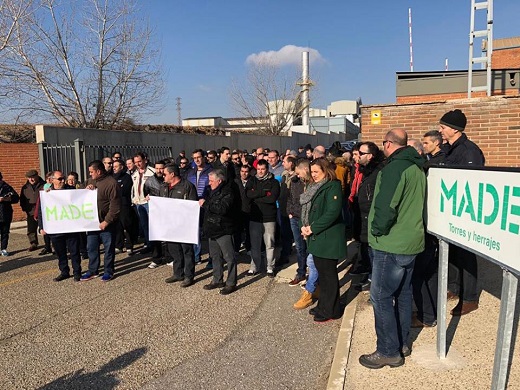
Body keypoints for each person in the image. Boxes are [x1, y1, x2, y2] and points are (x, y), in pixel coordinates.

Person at [359, 129, 426, 369]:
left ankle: (388, 350)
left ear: (388, 144)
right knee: (403, 294)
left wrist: (376, 230)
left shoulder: (395, 168)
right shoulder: (416, 166)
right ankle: (402, 343)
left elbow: (386, 207)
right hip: (410, 241)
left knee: (381, 296)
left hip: (391, 243)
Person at [438, 109, 484, 316]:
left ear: (454, 130)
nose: (440, 130)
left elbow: (471, 182)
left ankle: (470, 298)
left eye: (444, 126)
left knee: (466, 256)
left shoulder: (469, 151)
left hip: (464, 212)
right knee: (454, 254)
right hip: (451, 211)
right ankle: (455, 288)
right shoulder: (450, 148)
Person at [300, 158, 345, 322]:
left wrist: (312, 228)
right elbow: (307, 210)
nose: (314, 175)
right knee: (322, 275)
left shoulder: (333, 186)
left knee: (328, 276)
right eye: (312, 172)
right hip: (316, 238)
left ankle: (332, 310)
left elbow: (331, 213)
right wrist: (303, 226)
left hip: (328, 238)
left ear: (326, 171)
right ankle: (324, 305)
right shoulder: (313, 186)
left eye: (317, 172)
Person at [81, 160, 121, 282]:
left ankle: (108, 271)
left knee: (108, 249)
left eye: (92, 172)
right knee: (92, 248)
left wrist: (107, 221)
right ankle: (93, 270)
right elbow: (79, 195)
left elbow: (115, 206)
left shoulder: (111, 183)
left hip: (107, 224)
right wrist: (87, 188)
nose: (90, 174)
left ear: (98, 171)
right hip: (92, 223)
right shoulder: (90, 181)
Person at [38, 171, 82, 281]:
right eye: (60, 179)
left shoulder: (71, 190)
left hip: (71, 228)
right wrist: (42, 226)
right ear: (52, 180)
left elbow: (82, 200)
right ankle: (64, 271)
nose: (63, 181)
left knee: (74, 252)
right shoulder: (47, 193)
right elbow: (41, 211)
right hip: (56, 229)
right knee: (60, 252)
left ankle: (77, 272)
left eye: (63, 178)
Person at [200, 169, 238, 295]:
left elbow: (223, 209)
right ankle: (217, 279)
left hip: (223, 229)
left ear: (219, 180)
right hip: (212, 229)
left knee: (229, 257)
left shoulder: (228, 191)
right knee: (215, 256)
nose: (209, 183)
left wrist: (206, 204)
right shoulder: (211, 191)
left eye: (211, 181)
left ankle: (231, 282)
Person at [162, 164, 198, 288]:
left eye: (165, 174)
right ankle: (178, 273)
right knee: (174, 249)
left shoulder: (187, 186)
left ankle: (189, 275)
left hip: (184, 224)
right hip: (170, 224)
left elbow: (193, 205)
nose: (163, 176)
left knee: (187, 250)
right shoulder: (164, 187)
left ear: (172, 174)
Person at [246, 159, 280, 277]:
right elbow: (248, 194)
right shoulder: (252, 180)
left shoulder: (274, 182)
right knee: (254, 244)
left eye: (263, 169)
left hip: (269, 217)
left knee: (269, 243)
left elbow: (272, 198)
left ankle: (270, 267)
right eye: (259, 169)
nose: (260, 171)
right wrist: (264, 193)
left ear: (267, 169)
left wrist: (257, 195)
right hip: (255, 217)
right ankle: (254, 266)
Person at [287, 159, 309, 288]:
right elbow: (289, 198)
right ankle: (300, 273)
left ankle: (311, 276)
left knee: (309, 248)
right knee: (300, 248)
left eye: (298, 173)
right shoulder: (295, 182)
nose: (297, 175)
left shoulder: (311, 184)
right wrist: (290, 211)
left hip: (306, 219)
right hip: (294, 217)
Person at [144, 160, 166, 267]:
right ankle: (157, 258)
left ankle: (170, 257)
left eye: (161, 168)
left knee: (168, 234)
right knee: (155, 235)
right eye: (157, 168)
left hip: (167, 211)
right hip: (155, 211)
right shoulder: (149, 181)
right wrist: (147, 197)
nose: (159, 170)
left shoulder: (168, 179)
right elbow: (146, 192)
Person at [131, 152, 155, 253]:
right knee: (144, 224)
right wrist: (133, 199)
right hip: (138, 202)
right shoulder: (134, 173)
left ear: (145, 160)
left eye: (139, 161)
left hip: (149, 202)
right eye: (136, 162)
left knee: (152, 224)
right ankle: (148, 244)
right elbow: (134, 188)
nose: (138, 164)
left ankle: (155, 245)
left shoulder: (151, 171)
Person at [113, 159, 138, 255]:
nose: (114, 168)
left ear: (121, 167)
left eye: (116, 166)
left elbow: (124, 190)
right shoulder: (112, 177)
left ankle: (129, 245)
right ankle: (119, 245)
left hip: (124, 204)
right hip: (115, 204)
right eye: (113, 166)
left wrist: (118, 189)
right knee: (117, 226)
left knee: (127, 225)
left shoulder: (127, 177)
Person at [20, 169, 45, 252]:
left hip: (43, 211)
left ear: (37, 176)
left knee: (45, 228)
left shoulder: (44, 185)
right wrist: (25, 208)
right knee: (31, 229)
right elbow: (22, 199)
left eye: (32, 177)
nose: (31, 179)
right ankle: (33, 243)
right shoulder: (25, 187)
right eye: (29, 178)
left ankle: (49, 244)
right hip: (30, 211)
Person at [0, 172, 19, 256]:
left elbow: (16, 198)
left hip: (6, 213)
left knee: (5, 232)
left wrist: (7, 199)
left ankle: (3, 248)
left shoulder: (6, 187)